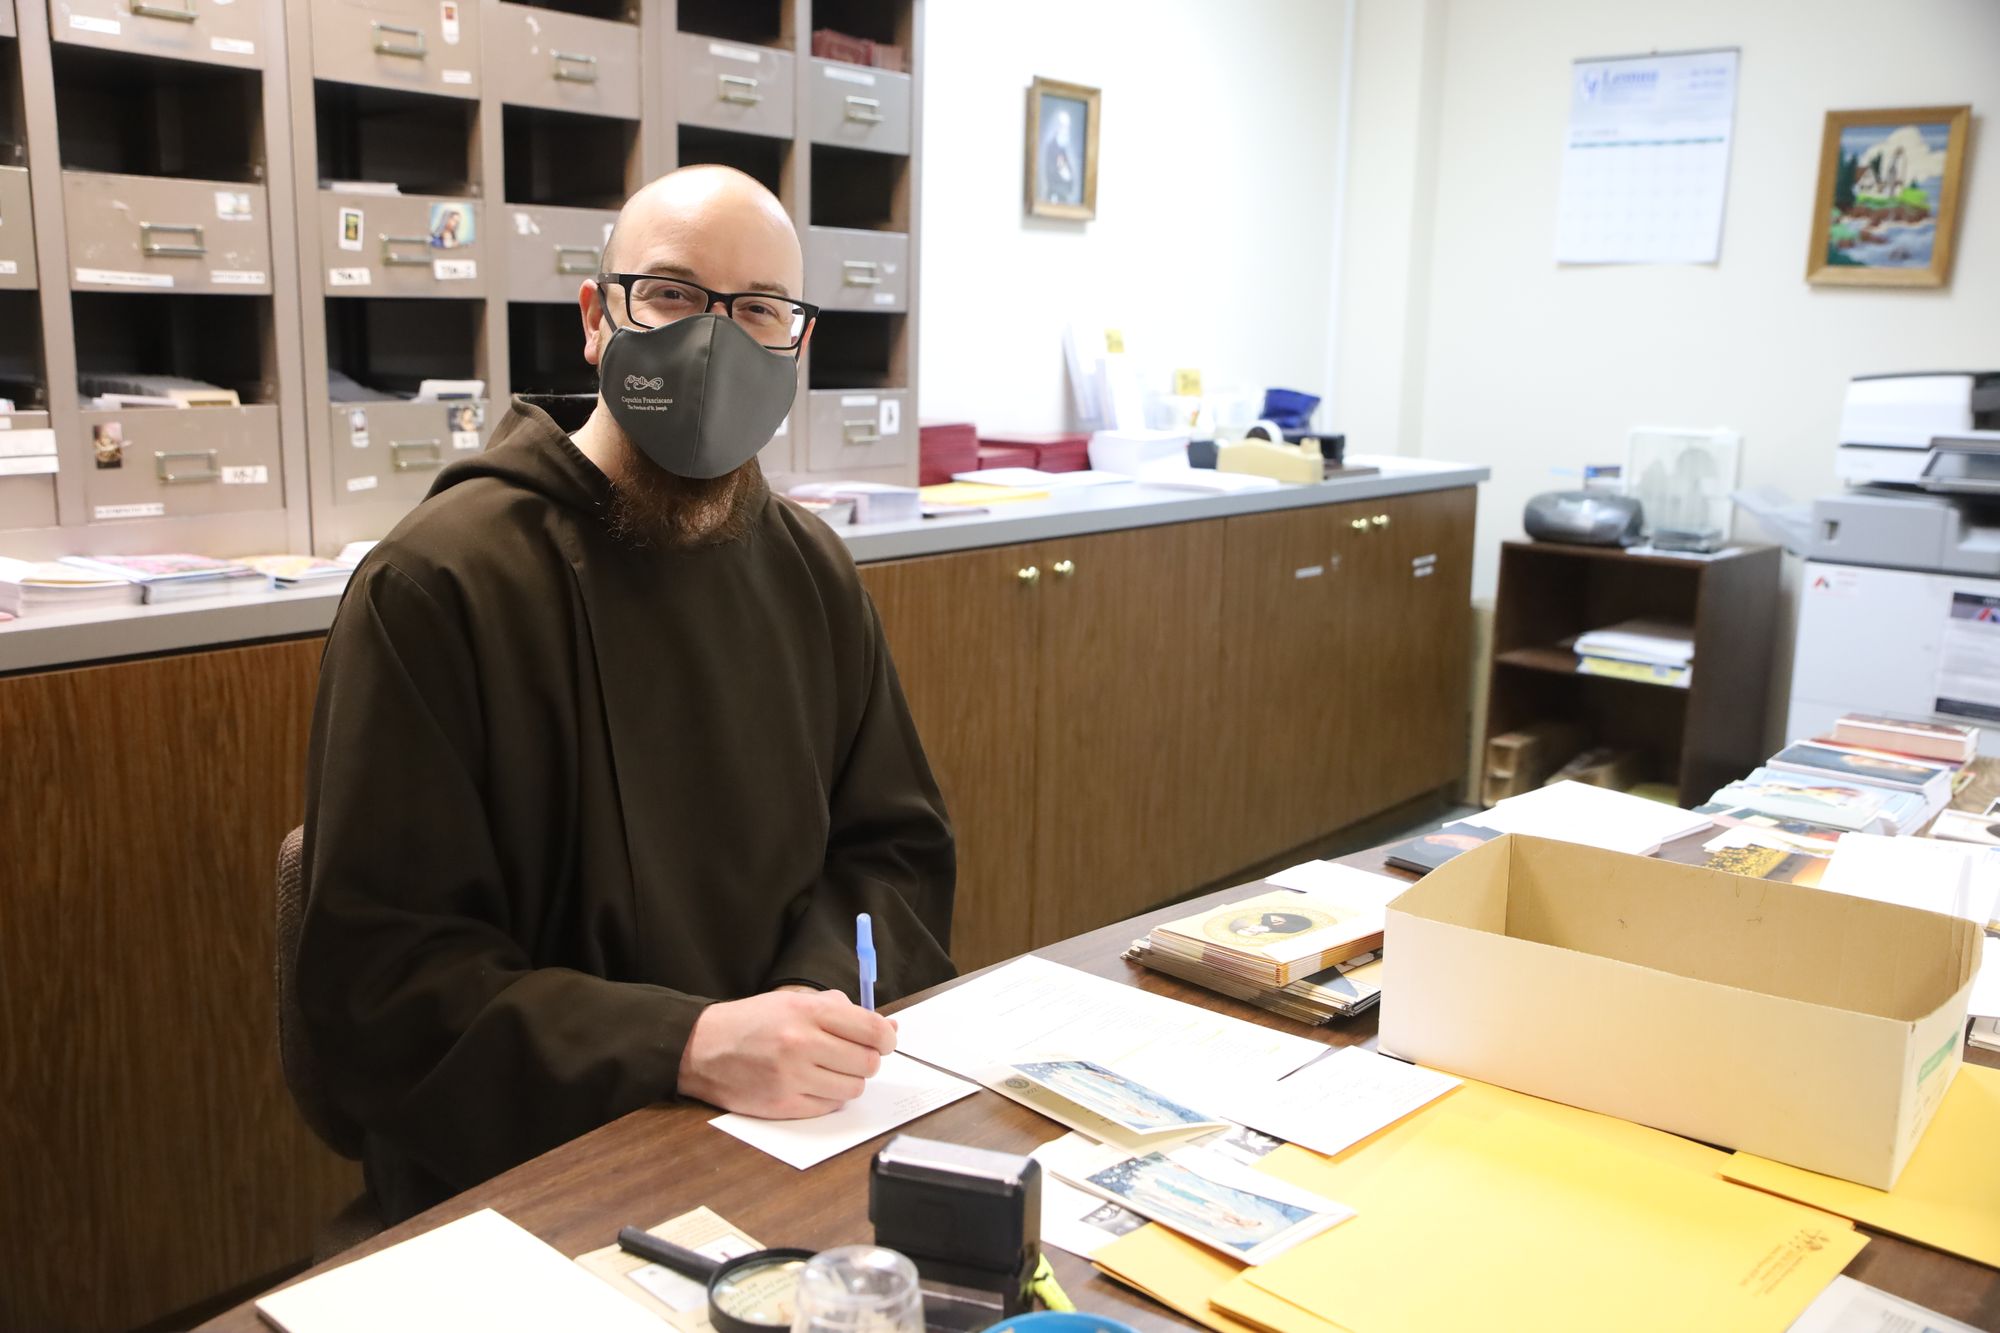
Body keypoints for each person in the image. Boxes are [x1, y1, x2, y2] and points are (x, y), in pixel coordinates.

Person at [297, 165, 957, 1224]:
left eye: (758, 312)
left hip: (790, 1131)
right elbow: (383, 978)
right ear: (596, 319)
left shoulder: (810, 570)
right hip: (537, 1172)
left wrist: (814, 1005)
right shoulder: (439, 585)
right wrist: (689, 1044)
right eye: (672, 296)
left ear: (797, 344)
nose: (715, 342)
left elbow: (895, 852)